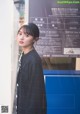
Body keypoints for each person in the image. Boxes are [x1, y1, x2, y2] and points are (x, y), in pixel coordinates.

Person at [14, 23, 47, 114]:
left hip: (29, 109)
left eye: (27, 35)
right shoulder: (24, 55)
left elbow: (36, 92)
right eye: (20, 34)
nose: (21, 38)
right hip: (22, 106)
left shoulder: (33, 60)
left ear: (35, 39)